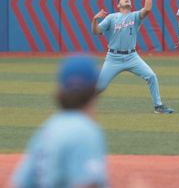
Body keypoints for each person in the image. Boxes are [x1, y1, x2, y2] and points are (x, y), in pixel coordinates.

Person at [12, 54, 108, 187]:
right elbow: (87, 184)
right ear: (93, 91)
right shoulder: (85, 130)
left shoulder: (47, 129)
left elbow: (20, 183)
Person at [91, 0, 174, 114]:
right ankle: (81, 106)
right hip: (113, 58)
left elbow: (147, 9)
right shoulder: (112, 17)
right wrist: (94, 19)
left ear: (131, 4)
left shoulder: (135, 16)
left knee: (151, 76)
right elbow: (96, 31)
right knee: (99, 87)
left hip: (132, 57)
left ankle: (158, 106)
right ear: (118, 5)